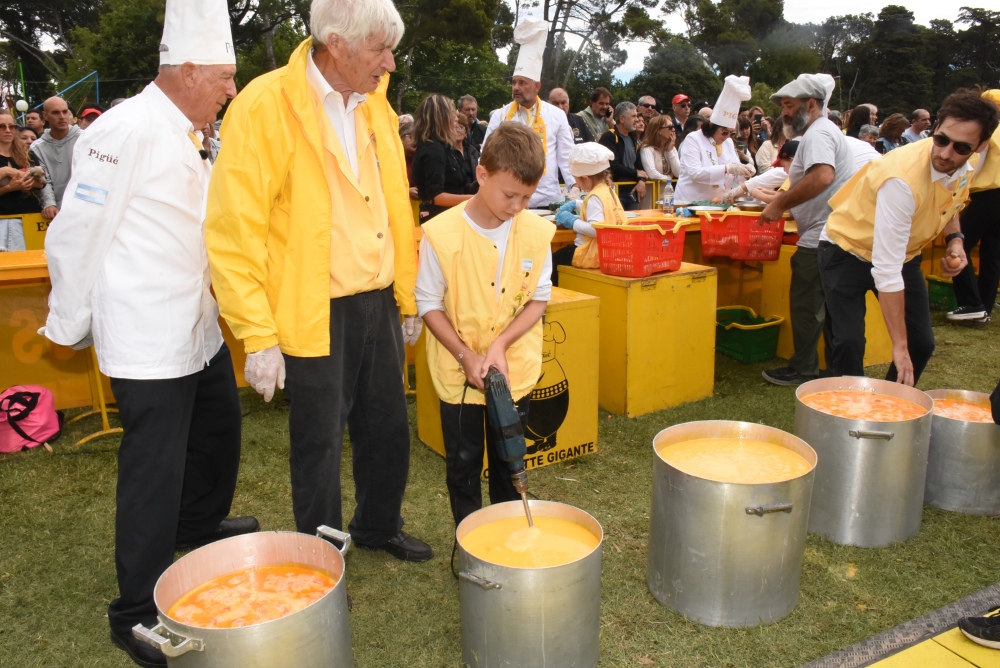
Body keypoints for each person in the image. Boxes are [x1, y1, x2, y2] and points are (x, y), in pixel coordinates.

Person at [41, 3, 257, 666]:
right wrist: (71, 322)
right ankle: (134, 609)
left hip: (196, 327)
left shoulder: (189, 129)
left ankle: (195, 526)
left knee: (219, 434)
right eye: (223, 77)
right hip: (146, 336)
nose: (230, 89)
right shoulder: (127, 128)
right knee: (152, 473)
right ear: (187, 70)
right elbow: (76, 233)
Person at [205, 0, 433, 562]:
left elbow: (394, 208)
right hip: (315, 306)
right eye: (381, 49)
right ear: (338, 43)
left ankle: (379, 525)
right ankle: (322, 554)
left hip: (377, 299)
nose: (391, 63)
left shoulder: (375, 104)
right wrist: (257, 335)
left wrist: (405, 293)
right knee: (320, 443)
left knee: (387, 430)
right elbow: (235, 230)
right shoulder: (263, 105)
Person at [416, 121, 553, 528]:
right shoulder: (440, 235)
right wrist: (465, 354)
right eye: (510, 194)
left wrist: (501, 346)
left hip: (514, 372)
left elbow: (538, 298)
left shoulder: (536, 231)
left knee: (511, 462)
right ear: (481, 174)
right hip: (457, 378)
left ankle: (507, 543)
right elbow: (428, 303)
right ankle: (471, 545)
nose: (517, 207)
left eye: (527, 197)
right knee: (463, 467)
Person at [818, 89, 999, 385]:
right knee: (849, 343)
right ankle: (845, 417)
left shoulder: (969, 164)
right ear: (935, 128)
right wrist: (897, 347)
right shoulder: (901, 179)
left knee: (922, 344)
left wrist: (956, 240)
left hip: (903, 255)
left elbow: (951, 199)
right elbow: (887, 271)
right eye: (941, 140)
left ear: (980, 147)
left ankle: (890, 407)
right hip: (845, 249)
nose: (945, 153)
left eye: (961, 148)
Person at [758, 74, 860, 386]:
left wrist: (779, 205)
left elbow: (821, 177)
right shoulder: (823, 131)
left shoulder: (817, 134)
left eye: (789, 105)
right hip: (831, 233)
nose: (783, 113)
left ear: (811, 104)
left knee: (807, 304)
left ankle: (803, 368)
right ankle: (835, 369)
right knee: (828, 307)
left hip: (822, 235)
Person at [482, 16, 574, 208]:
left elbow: (567, 157)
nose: (516, 87)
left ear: (537, 86)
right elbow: (485, 154)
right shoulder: (500, 116)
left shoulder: (556, 115)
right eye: (514, 82)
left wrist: (574, 188)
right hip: (508, 200)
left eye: (523, 82)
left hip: (548, 200)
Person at [947, 89, 1000, 323]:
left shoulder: (989, 132)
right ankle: (984, 308)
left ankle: (971, 303)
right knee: (993, 253)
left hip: (988, 194)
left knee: (960, 243)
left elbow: (975, 163)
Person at [551, 141, 626, 278]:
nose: (578, 185)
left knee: (553, 261)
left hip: (590, 253)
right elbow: (600, 208)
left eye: (577, 180)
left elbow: (595, 229)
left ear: (585, 178)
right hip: (608, 251)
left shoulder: (594, 197)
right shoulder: (607, 190)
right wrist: (577, 204)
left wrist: (572, 221)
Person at [675, 76, 755, 203]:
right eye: (724, 132)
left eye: (731, 133)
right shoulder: (693, 139)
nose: (727, 137)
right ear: (712, 126)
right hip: (690, 202)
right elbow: (695, 173)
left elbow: (735, 171)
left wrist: (745, 172)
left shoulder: (728, 142)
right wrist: (726, 168)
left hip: (717, 203)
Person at [412, 94, 474, 222]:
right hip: (439, 220)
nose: (456, 118)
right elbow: (436, 196)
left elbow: (457, 188)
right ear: (441, 118)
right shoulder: (433, 149)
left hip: (449, 218)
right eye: (452, 113)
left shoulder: (444, 147)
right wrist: (475, 200)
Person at [30, 96, 81, 220]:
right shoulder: (36, 148)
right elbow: (42, 178)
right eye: (55, 112)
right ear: (45, 116)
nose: (62, 116)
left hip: (83, 208)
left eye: (65, 111)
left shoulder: (85, 138)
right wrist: (49, 203)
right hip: (55, 213)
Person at [599, 101, 647, 210]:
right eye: (634, 116)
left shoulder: (633, 139)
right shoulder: (609, 137)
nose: (637, 119)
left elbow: (640, 168)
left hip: (632, 193)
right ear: (622, 119)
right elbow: (613, 165)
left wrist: (642, 182)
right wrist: (636, 173)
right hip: (615, 192)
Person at [0, 110, 46, 219]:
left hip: (30, 216)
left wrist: (14, 175)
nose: (7, 130)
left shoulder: (27, 153)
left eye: (12, 126)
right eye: (2, 126)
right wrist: (10, 187)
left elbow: (42, 183)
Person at [639, 114, 681, 182]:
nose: (673, 130)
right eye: (670, 127)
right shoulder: (647, 148)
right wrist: (669, 178)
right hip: (652, 191)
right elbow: (652, 174)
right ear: (658, 130)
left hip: (668, 191)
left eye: (673, 127)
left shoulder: (671, 148)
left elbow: (679, 173)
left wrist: (670, 151)